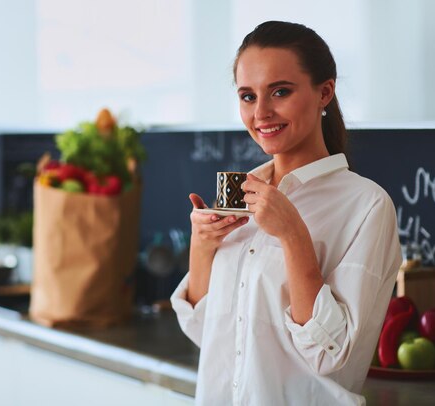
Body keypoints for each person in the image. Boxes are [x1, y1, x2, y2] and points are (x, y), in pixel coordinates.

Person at [171, 21, 402, 405]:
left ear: (324, 92)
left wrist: (293, 235)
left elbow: (331, 353)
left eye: (280, 91)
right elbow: (204, 330)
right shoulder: (241, 195)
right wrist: (203, 245)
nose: (261, 112)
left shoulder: (367, 206)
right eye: (247, 96)